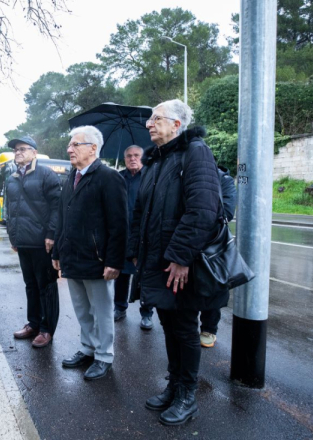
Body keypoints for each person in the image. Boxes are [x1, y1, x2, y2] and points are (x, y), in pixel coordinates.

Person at [127, 99, 226, 425]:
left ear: (177, 125)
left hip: (181, 266)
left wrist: (181, 257)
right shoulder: (157, 161)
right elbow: (142, 211)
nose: (149, 124)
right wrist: (134, 251)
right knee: (169, 327)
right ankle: (174, 386)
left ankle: (187, 396)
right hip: (158, 262)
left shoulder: (195, 152)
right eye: (150, 119)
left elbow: (203, 209)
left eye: (156, 118)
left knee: (184, 329)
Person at [52, 125, 127, 381]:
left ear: (93, 148)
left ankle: (104, 356)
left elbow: (119, 224)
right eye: (70, 144)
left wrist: (114, 260)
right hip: (73, 257)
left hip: (98, 260)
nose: (69, 149)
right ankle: (88, 348)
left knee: (102, 312)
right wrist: (57, 253)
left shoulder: (109, 177)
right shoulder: (71, 177)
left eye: (75, 144)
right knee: (82, 310)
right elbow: (63, 218)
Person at [6, 136, 62, 348]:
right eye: (15, 150)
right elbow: (10, 209)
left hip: (42, 242)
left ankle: (47, 329)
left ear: (34, 152)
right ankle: (34, 323)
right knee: (30, 285)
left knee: (46, 286)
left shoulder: (46, 174)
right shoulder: (11, 178)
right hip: (23, 242)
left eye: (22, 149)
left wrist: (51, 234)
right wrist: (13, 236)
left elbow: (57, 207)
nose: (18, 152)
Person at [114, 146, 154, 330]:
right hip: (122, 234)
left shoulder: (150, 176)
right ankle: (120, 307)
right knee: (120, 274)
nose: (132, 159)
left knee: (144, 276)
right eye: (128, 156)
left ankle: (147, 313)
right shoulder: (118, 177)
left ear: (143, 157)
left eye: (136, 155)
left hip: (143, 234)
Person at [199, 164, 237, 348]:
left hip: (214, 242)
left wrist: (200, 214)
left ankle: (209, 329)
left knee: (215, 285)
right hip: (192, 239)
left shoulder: (224, 180)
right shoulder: (191, 175)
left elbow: (227, 212)